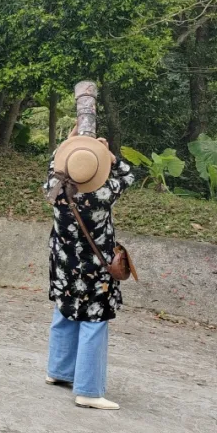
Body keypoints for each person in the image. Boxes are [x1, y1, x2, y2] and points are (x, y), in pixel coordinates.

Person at [44, 127, 136, 410]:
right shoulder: (103, 194)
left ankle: (58, 371)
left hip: (63, 266)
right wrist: (108, 154)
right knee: (94, 322)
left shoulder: (54, 189)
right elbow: (129, 174)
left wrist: (72, 142)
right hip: (94, 272)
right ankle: (88, 390)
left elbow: (54, 163)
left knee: (65, 310)